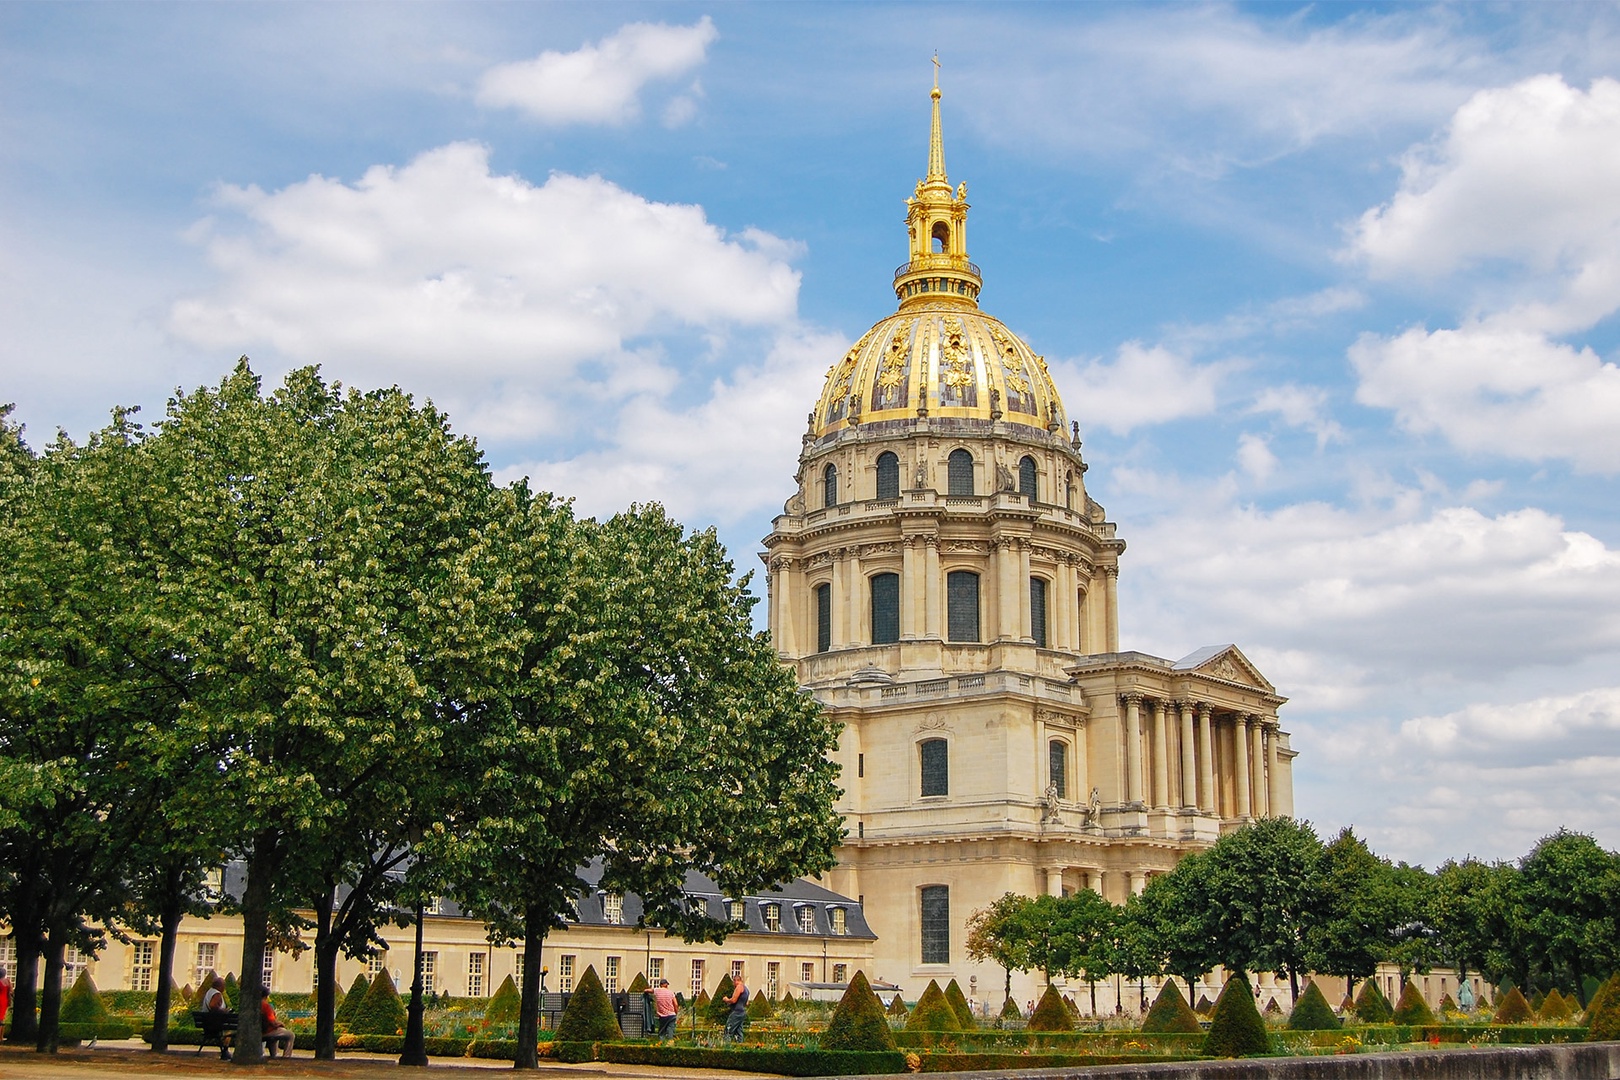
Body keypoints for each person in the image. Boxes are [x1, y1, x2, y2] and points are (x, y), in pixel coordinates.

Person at [259, 986, 294, 1058]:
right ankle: (286, 1056)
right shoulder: (266, 1006)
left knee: (276, 1033)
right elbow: (273, 1022)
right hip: (266, 1032)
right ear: (266, 996)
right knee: (290, 1035)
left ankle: (274, 1055)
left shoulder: (251, 1006)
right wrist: (280, 1024)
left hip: (255, 1032)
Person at [723, 971, 750, 1042]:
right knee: (739, 1032)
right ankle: (740, 1047)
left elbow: (733, 1000)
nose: (733, 984)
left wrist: (726, 999)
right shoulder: (746, 989)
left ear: (736, 981)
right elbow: (747, 1003)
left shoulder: (739, 987)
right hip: (742, 1012)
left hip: (737, 1012)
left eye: (733, 982)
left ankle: (726, 1047)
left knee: (728, 1029)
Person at [0, 965, 12, 1031]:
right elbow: (11, 991)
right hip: (5, 1001)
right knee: (2, 1018)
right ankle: (1, 1037)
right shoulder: (7, 981)